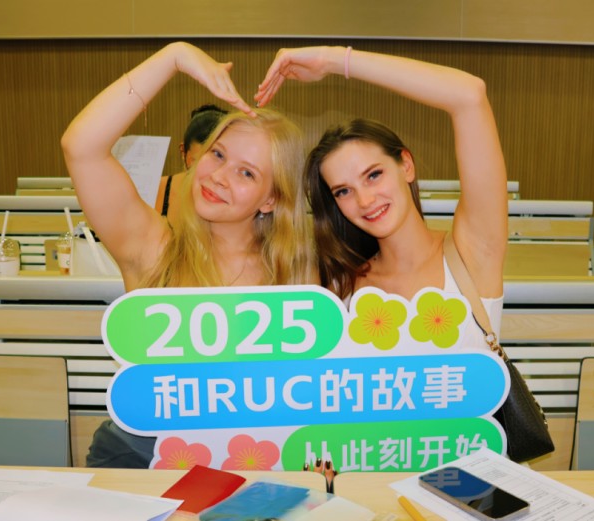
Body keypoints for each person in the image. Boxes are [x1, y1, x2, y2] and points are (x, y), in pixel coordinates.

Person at [61, 42, 315, 467]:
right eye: (218, 154)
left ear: (271, 199)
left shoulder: (298, 274)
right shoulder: (154, 249)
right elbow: (81, 146)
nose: (218, 177)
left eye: (246, 172)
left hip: (252, 468)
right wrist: (173, 57)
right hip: (139, 464)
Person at [256, 46, 508, 347]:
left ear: (406, 165)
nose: (364, 201)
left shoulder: (472, 253)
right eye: (343, 191)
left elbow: (469, 95)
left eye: (373, 175)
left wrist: (335, 60)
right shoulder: (341, 287)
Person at [154, 104, 228, 224]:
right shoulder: (157, 189)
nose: (207, 174)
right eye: (196, 162)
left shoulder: (230, 197)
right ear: (183, 151)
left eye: (216, 161)